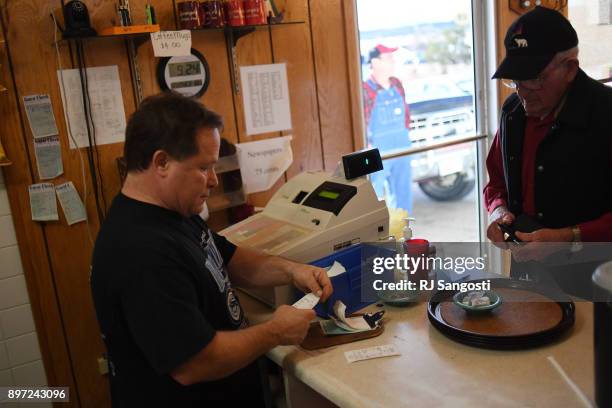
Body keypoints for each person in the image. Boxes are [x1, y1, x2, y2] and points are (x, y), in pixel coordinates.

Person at [90, 93, 333, 407]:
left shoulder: (174, 212)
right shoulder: (140, 251)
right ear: (161, 162)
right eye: (203, 167)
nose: (214, 180)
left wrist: (292, 270)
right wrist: (275, 332)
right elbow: (194, 363)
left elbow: (227, 259)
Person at [484, 7, 612, 294]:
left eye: (534, 78)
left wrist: (568, 237)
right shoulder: (513, 111)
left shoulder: (606, 116)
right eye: (515, 79)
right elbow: (496, 183)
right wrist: (498, 212)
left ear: (570, 68)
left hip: (599, 278)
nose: (522, 91)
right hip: (530, 274)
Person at [363, 44, 413, 213]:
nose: (393, 62)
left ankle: (405, 234)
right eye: (388, 58)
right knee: (373, 197)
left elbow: (406, 115)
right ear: (375, 62)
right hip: (377, 150)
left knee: (403, 196)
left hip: (402, 146)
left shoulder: (397, 84)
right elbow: (363, 122)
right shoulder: (365, 89)